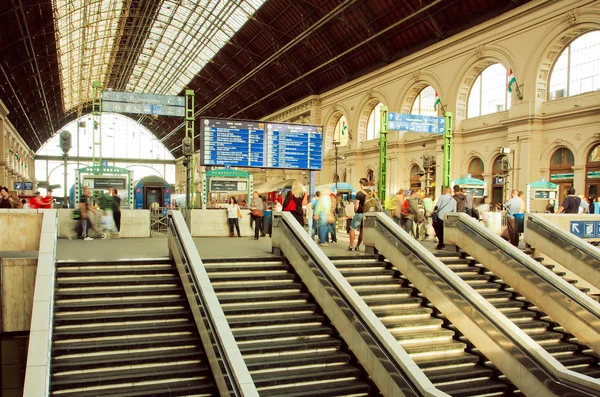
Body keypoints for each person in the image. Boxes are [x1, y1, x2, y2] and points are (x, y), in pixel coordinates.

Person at [348, 178, 371, 251]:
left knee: (352, 228)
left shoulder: (359, 193)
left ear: (361, 184)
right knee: (362, 230)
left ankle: (351, 246)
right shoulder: (372, 192)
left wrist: (355, 211)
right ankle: (357, 246)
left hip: (359, 214)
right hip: (367, 214)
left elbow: (356, 204)